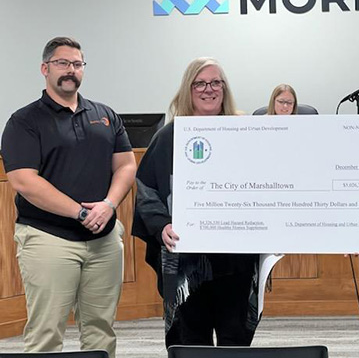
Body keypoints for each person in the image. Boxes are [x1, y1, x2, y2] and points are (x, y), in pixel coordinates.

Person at [1, 37, 137, 358]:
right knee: (46, 332)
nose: (70, 70)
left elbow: (127, 164)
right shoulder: (24, 121)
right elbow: (24, 180)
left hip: (103, 240)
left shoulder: (104, 114)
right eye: (62, 63)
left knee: (101, 329)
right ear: (45, 69)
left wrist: (108, 205)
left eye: (77, 64)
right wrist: (80, 213)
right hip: (48, 239)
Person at [132, 57, 260, 347]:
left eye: (216, 82)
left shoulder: (245, 133)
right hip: (186, 262)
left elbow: (267, 183)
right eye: (199, 83)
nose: (209, 89)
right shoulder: (168, 137)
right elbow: (146, 190)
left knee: (234, 338)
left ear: (224, 89)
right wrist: (161, 225)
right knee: (191, 341)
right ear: (187, 90)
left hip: (235, 260)